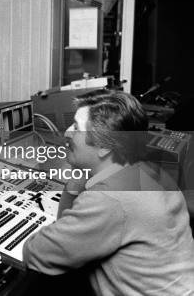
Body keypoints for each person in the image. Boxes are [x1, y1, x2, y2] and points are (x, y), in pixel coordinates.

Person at [23, 90, 194, 295]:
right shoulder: (151, 169)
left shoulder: (108, 199)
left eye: (76, 127)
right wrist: (81, 175)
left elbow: (37, 253)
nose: (67, 132)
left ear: (104, 146)